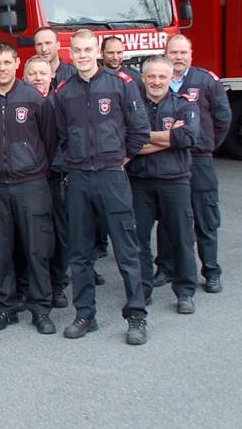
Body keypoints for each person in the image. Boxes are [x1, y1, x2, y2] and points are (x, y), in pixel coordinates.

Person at [54, 29, 151, 345]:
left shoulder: (121, 85)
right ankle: (85, 315)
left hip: (111, 176)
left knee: (126, 250)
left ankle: (136, 315)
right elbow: (61, 137)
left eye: (87, 49)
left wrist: (118, 160)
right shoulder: (64, 92)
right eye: (77, 50)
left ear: (97, 50)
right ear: (71, 53)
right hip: (79, 178)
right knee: (80, 251)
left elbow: (139, 131)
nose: (82, 55)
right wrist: (73, 165)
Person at [0, 43, 58, 335]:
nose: (2, 68)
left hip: (30, 184)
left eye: (8, 62)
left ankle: (41, 309)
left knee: (36, 250)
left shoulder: (34, 99)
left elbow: (49, 139)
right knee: (0, 250)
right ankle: (5, 308)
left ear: (17, 64)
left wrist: (34, 168)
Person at [155, 34, 231, 294]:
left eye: (182, 52)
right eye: (173, 52)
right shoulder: (159, 82)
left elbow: (223, 118)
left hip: (198, 159)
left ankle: (210, 270)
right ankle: (166, 267)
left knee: (205, 215)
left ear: (190, 54)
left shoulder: (206, 81)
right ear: (166, 53)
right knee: (168, 215)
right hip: (167, 157)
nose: (178, 57)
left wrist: (206, 144)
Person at [127, 56, 200, 314]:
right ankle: (142, 291)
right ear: (143, 78)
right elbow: (127, 141)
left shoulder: (184, 105)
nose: (156, 82)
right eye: (151, 76)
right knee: (138, 242)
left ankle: (185, 291)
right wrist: (170, 138)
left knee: (181, 239)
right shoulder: (133, 106)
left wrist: (143, 139)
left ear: (171, 79)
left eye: (162, 77)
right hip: (139, 183)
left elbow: (189, 136)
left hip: (175, 183)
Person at [24, 56, 73, 308]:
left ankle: (58, 284)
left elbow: (68, 138)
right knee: (31, 236)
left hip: (55, 177)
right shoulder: (20, 102)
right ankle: (30, 284)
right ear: (25, 78)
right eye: (32, 74)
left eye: (42, 73)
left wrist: (64, 169)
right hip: (28, 180)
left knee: (58, 233)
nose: (38, 78)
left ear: (52, 76)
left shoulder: (61, 102)